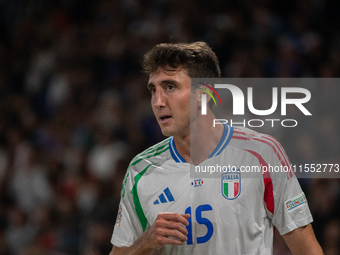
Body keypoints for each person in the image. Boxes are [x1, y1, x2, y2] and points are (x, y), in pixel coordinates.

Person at [109, 42, 323, 254]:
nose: (157, 101)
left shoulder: (262, 154)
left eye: (170, 87)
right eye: (153, 90)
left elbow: (308, 250)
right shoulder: (141, 170)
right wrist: (144, 243)